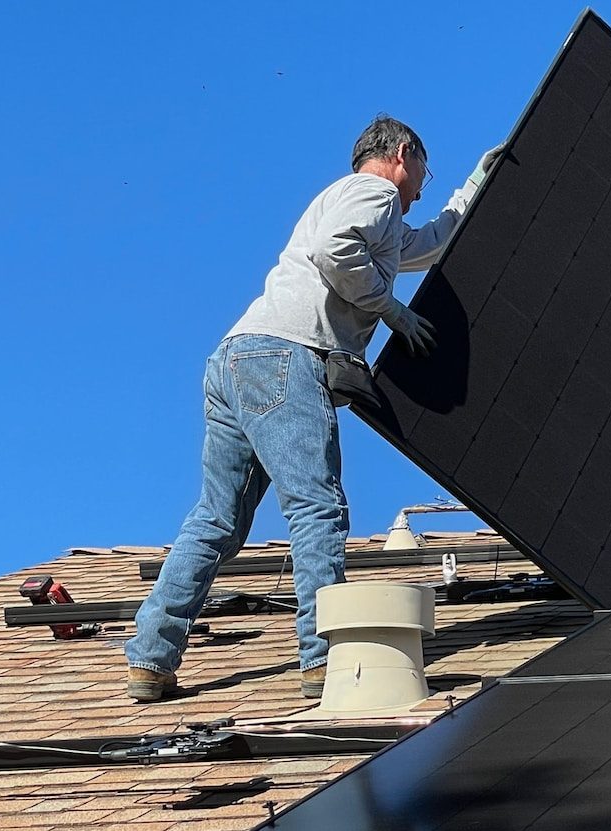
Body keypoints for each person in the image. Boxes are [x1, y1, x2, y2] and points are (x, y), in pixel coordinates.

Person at [125, 116, 503, 702]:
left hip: (235, 359)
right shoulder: (372, 192)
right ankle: (324, 659)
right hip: (286, 357)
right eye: (426, 169)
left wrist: (476, 185)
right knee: (316, 506)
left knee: (216, 520)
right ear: (402, 153)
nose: (426, 183)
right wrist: (391, 312)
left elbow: (427, 245)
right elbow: (335, 252)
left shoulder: (360, 208)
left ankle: (150, 656)